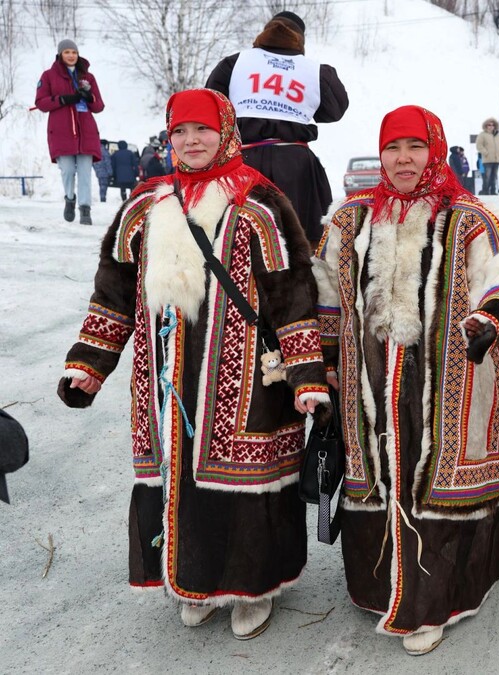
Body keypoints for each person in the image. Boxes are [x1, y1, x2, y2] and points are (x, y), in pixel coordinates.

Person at [57, 89, 329, 640]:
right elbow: (113, 292)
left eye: (202, 130)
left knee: (248, 485)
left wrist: (306, 376)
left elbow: (292, 294)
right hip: (164, 380)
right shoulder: (144, 204)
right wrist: (90, 363)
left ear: (225, 131)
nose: (191, 141)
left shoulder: (260, 203)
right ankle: (197, 581)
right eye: (180, 131)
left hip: (249, 377)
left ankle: (255, 588)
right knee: (179, 479)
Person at [312, 105, 499, 656]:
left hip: (449, 377)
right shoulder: (351, 219)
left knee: (431, 475)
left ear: (435, 150)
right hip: (369, 379)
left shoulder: (470, 215)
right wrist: (323, 363)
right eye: (393, 148)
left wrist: (490, 319)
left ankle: (434, 604)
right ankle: (380, 589)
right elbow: (325, 293)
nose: (403, 159)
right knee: (381, 473)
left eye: (415, 147)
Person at [206, 11, 350, 243]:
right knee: (301, 244)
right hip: (298, 169)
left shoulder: (234, 64)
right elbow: (334, 111)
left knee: (237, 242)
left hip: (242, 165)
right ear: (300, 39)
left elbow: (212, 106)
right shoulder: (315, 71)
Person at [35, 39, 104, 225]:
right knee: (66, 170)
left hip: (86, 131)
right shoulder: (48, 76)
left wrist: (89, 97)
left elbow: (99, 106)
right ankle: (69, 198)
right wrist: (64, 99)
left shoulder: (88, 77)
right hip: (61, 131)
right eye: (67, 52)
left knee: (84, 172)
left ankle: (85, 209)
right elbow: (41, 103)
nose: (71, 55)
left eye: (73, 52)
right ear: (60, 55)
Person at [475, 117, 499, 195]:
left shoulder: (498, 136)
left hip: (496, 159)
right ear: (486, 126)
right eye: (489, 125)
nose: (491, 126)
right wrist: (485, 153)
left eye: (493, 125)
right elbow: (479, 145)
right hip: (487, 160)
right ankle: (485, 191)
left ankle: (493, 191)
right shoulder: (482, 135)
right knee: (487, 176)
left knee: (494, 176)